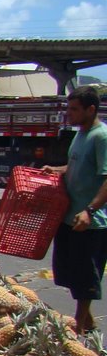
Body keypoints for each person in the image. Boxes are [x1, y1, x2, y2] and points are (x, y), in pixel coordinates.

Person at [44, 86, 107, 333]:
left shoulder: (101, 137)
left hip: (90, 221)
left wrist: (90, 210)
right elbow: (76, 167)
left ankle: (78, 329)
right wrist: (57, 170)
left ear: (91, 109)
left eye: (74, 109)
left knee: (84, 278)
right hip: (69, 217)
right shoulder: (80, 134)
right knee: (67, 273)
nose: (69, 113)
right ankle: (88, 321)